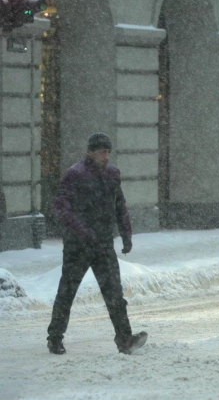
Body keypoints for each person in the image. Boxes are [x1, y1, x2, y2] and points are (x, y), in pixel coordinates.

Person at [46, 133, 147, 355]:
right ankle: (55, 338)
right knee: (67, 292)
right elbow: (62, 208)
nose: (106, 156)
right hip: (78, 246)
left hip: (102, 244)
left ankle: (125, 339)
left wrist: (126, 234)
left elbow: (120, 205)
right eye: (102, 151)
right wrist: (83, 232)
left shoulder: (112, 174)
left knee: (114, 293)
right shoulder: (75, 175)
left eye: (109, 151)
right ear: (90, 152)